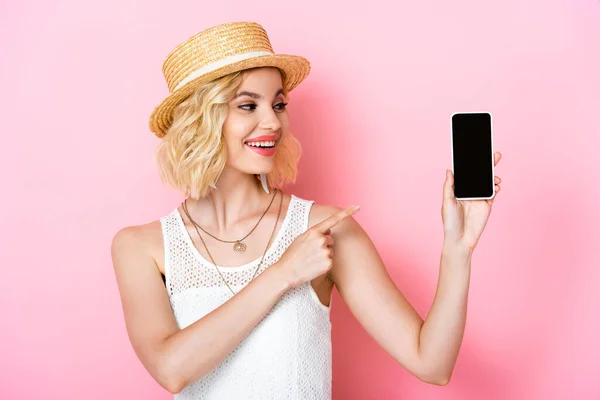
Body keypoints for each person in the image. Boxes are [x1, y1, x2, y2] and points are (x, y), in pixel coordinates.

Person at [111, 21, 503, 399]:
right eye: (248, 105)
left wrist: (459, 249)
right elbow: (171, 370)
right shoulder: (141, 247)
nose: (272, 122)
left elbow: (431, 363)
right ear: (199, 121)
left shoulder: (327, 230)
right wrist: (284, 273)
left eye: (279, 104)